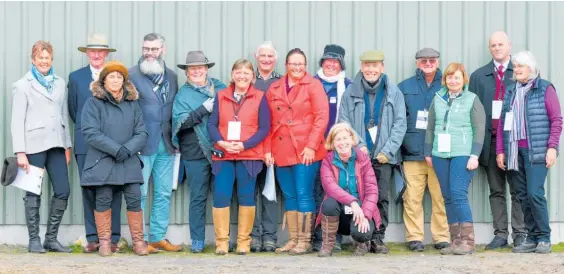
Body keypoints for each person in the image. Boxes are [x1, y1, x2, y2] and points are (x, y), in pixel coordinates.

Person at [338, 50, 407, 254]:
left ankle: (378, 237)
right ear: (361, 67)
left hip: (384, 157)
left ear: (382, 67)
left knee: (381, 199)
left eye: (374, 65)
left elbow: (400, 124)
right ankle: (361, 239)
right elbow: (344, 122)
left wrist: (388, 150)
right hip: (359, 157)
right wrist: (358, 146)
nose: (370, 69)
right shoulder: (350, 92)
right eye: (367, 65)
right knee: (358, 197)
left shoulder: (394, 92)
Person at [80, 61, 149, 256]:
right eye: (112, 76)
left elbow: (142, 133)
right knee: (103, 199)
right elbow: (90, 132)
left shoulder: (132, 104)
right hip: (103, 159)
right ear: (103, 80)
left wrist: (126, 149)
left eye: (120, 77)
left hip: (128, 159)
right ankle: (104, 242)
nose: (116, 80)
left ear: (124, 81)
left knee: (135, 198)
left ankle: (138, 242)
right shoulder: (93, 103)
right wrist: (116, 149)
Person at [264, 48, 329, 255]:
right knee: (289, 195)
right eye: (293, 63)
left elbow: (321, 117)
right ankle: (293, 239)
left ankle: (305, 240)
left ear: (306, 65)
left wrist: (311, 145)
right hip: (280, 148)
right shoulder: (274, 88)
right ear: (286, 65)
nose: (297, 67)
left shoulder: (314, 85)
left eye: (301, 63)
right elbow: (267, 122)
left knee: (303, 193)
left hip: (305, 149)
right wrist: (268, 150)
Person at [497, 51, 562, 254]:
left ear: (531, 69)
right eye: (515, 66)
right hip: (515, 151)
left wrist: (552, 147)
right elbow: (502, 124)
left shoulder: (544, 88)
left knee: (535, 194)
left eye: (520, 66)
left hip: (537, 151)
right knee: (522, 195)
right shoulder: (510, 91)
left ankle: (544, 237)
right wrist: (501, 150)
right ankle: (532, 238)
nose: (516, 70)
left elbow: (557, 120)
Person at [11, 40, 73, 254]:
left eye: (47, 58)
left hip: (56, 145)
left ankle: (51, 239)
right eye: (40, 58)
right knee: (32, 193)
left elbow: (64, 115)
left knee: (63, 190)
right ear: (33, 60)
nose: (44, 61)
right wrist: (20, 152)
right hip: (32, 147)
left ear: (51, 60)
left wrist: (67, 145)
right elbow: (17, 121)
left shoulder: (59, 83)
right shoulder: (22, 85)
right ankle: (34, 240)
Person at [207, 59, 271, 255]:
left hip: (249, 155)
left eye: (246, 73)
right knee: (221, 196)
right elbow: (211, 124)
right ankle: (222, 242)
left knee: (246, 197)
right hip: (224, 155)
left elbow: (264, 128)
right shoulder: (221, 95)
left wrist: (244, 145)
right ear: (232, 74)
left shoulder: (260, 97)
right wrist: (221, 142)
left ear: (252, 76)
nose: (242, 76)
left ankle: (244, 242)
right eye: (238, 72)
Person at [68, 33, 124, 253]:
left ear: (106, 54)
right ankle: (93, 237)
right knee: (89, 189)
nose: (97, 55)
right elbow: (74, 111)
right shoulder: (76, 77)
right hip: (86, 144)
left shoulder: (116, 76)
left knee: (115, 189)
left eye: (101, 51)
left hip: (114, 144)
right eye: (93, 51)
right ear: (87, 53)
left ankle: (112, 238)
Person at [469, 31, 526, 249]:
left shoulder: (520, 71)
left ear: (509, 46)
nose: (497, 48)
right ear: (489, 48)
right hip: (490, 142)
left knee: (518, 189)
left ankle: (520, 233)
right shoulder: (478, 76)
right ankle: (501, 234)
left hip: (515, 142)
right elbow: (472, 111)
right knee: (496, 190)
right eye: (493, 45)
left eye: (501, 44)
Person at [424, 62, 486, 255]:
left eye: (457, 77)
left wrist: (474, 155)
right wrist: (428, 152)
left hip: (463, 153)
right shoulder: (438, 98)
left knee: (458, 194)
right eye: (450, 77)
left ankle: (468, 241)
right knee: (448, 197)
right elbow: (430, 127)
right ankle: (456, 241)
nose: (453, 80)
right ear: (445, 80)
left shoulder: (472, 99)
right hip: (440, 154)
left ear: (463, 79)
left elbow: (479, 129)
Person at [129, 33, 181, 253]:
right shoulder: (131, 75)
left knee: (163, 193)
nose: (149, 53)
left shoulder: (172, 76)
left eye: (154, 49)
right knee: (139, 193)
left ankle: (158, 237)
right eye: (146, 48)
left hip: (166, 143)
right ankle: (139, 240)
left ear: (163, 50)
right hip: (142, 144)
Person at [172, 50, 227, 253]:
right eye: (192, 68)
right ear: (186, 72)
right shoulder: (182, 95)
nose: (196, 71)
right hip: (194, 151)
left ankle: (223, 238)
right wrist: (203, 109)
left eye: (200, 67)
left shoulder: (221, 88)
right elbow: (181, 123)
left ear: (206, 69)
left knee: (222, 195)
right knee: (198, 197)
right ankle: (197, 240)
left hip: (221, 149)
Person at [398, 48, 450, 252]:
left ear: (437, 62)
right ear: (417, 63)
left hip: (440, 153)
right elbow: (399, 120)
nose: (428, 63)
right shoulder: (405, 86)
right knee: (412, 198)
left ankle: (442, 237)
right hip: (412, 152)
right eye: (423, 60)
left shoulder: (448, 84)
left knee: (440, 197)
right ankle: (414, 237)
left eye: (432, 60)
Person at [316, 123, 381, 257]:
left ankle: (362, 243)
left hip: (360, 211)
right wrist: (353, 202)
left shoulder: (363, 160)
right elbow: (330, 187)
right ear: (332, 143)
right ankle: (328, 245)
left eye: (345, 138)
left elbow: (372, 191)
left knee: (362, 233)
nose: (342, 143)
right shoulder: (327, 161)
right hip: (341, 212)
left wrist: (366, 213)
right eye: (338, 139)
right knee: (328, 203)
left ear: (352, 139)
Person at [312, 44, 353, 252]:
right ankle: (318, 236)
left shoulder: (348, 85)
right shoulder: (312, 83)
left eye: (335, 61)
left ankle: (334, 237)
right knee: (316, 192)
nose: (331, 64)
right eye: (327, 61)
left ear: (341, 64)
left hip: (339, 149)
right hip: (314, 147)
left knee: (336, 192)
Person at [250, 41, 282, 252]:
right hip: (251, 145)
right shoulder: (246, 79)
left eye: (270, 56)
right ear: (256, 56)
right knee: (250, 191)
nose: (266, 59)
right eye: (263, 56)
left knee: (270, 192)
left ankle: (270, 236)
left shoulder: (282, 82)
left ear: (275, 59)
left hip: (276, 146)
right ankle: (253, 235)